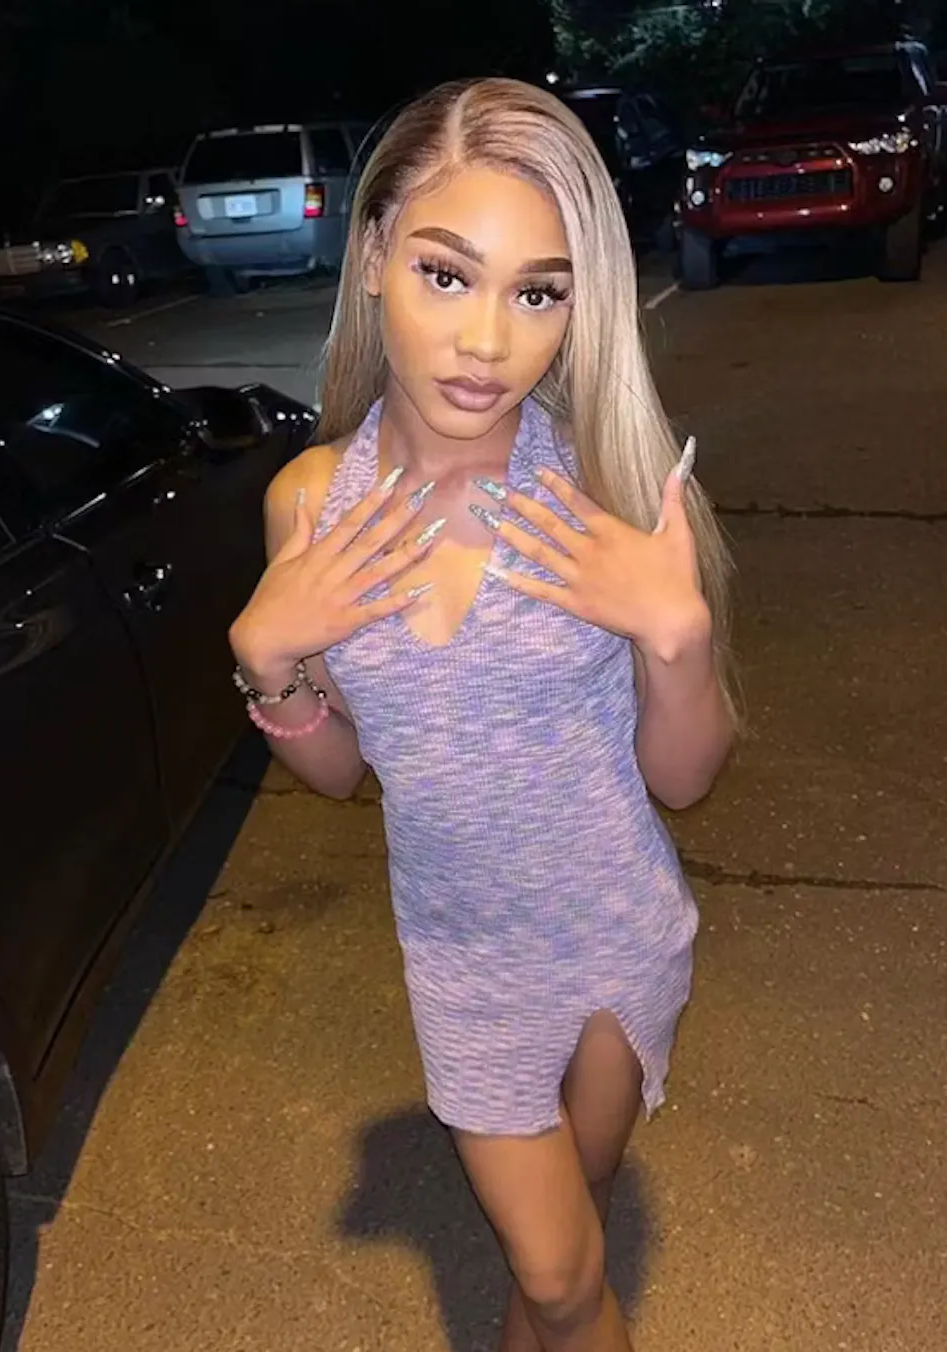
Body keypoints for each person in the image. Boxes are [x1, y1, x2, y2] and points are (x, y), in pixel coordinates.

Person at [229, 77, 737, 1352]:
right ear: (373, 261)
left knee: (565, 1246)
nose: (488, 341)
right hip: (465, 963)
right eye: (447, 275)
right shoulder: (310, 504)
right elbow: (342, 773)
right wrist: (266, 660)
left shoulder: (606, 486)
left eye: (539, 292)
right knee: (562, 1276)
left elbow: (682, 777)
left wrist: (676, 637)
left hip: (618, 933)